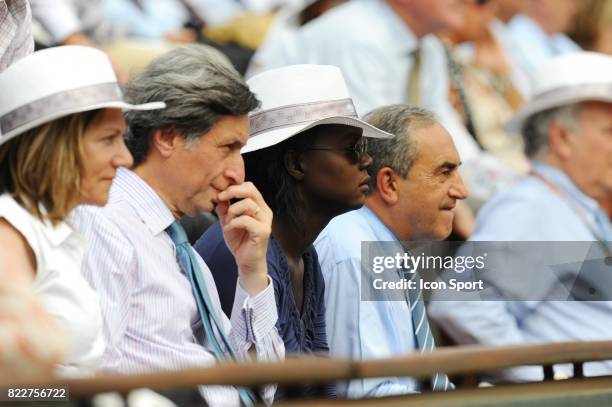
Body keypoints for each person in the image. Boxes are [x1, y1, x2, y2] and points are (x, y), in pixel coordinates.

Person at [71, 45, 284, 406]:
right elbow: (88, 381)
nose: (238, 172)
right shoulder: (103, 221)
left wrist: (251, 271)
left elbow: (261, 386)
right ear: (168, 137)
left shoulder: (180, 247)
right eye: (227, 147)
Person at [195, 64, 392, 399]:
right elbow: (255, 392)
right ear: (296, 164)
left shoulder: (305, 254)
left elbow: (317, 380)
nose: (367, 161)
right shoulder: (238, 246)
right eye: (353, 148)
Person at [428, 52, 612, 381]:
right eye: (610, 131)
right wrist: (545, 382)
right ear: (562, 138)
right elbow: (459, 304)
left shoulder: (563, 205)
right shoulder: (532, 207)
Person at [0, 45, 163, 377]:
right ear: (55, 148)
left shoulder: (55, 225)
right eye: (108, 139)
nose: (125, 159)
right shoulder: (11, 229)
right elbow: (20, 392)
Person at [314, 105, 468, 398]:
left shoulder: (380, 247)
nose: (461, 190)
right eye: (445, 172)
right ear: (389, 184)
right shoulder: (353, 251)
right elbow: (365, 396)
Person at [444, 0, 530, 174]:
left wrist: (503, 73)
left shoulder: (473, 64)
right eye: (481, 3)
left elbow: (526, 121)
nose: (491, 12)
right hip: (485, 172)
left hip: (512, 167)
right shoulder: (444, 67)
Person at [505, 0, 581, 84]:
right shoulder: (511, 43)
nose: (574, 9)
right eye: (571, 1)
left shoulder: (566, 45)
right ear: (543, 2)